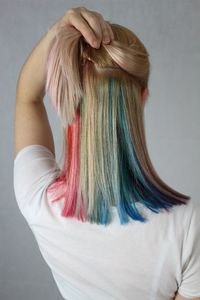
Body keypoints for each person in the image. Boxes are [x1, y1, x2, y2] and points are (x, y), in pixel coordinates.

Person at [13, 6, 200, 300]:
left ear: (66, 98)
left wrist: (59, 30)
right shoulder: (188, 228)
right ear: (143, 96)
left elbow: (27, 97)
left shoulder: (37, 198)